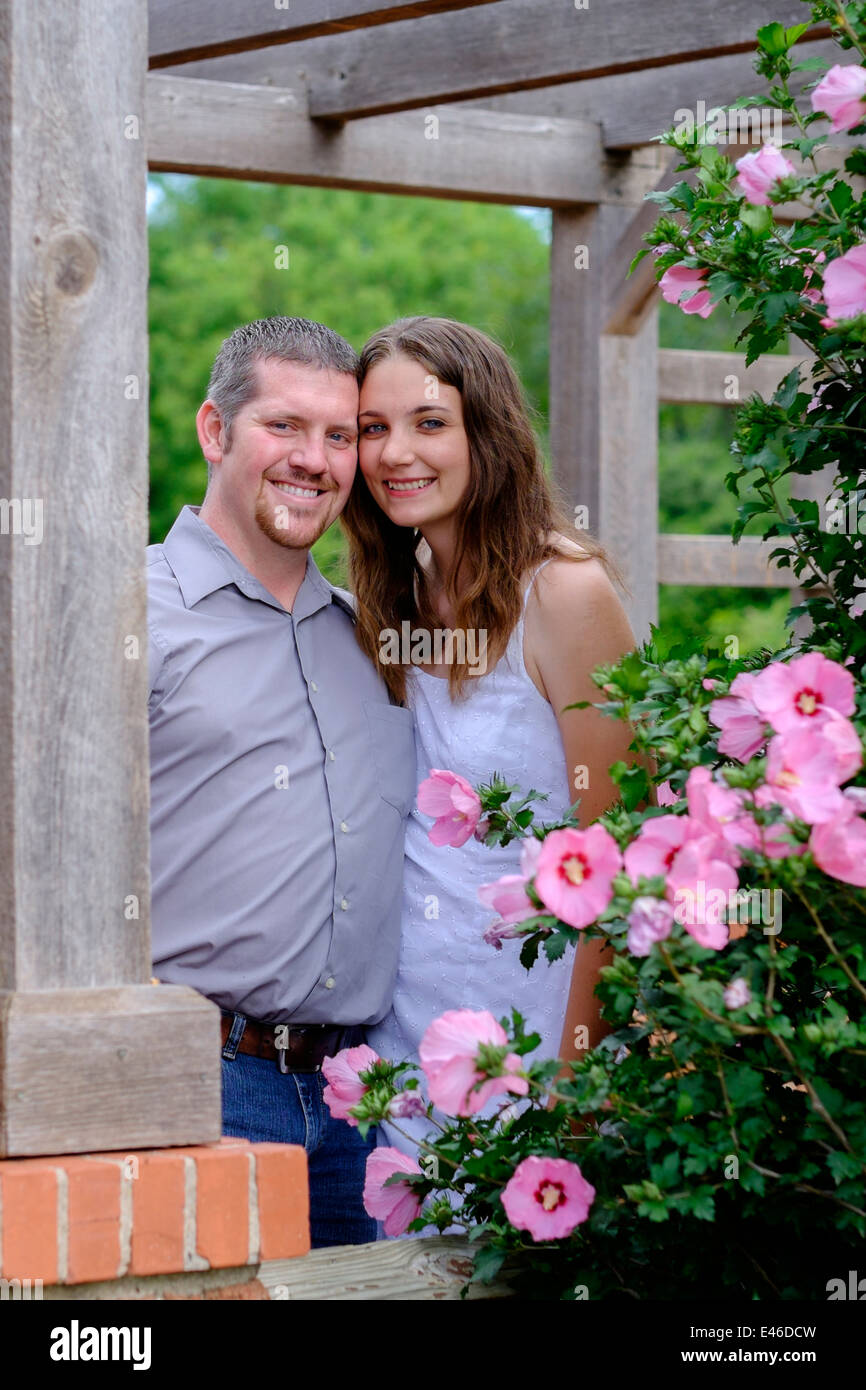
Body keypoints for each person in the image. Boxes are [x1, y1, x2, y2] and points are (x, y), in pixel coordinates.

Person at [340, 315, 642, 1174]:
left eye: (430, 423)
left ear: (490, 434)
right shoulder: (393, 595)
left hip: (533, 1064)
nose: (396, 452)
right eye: (373, 429)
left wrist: (572, 1106)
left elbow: (618, 861)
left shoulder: (565, 593)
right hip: (398, 1064)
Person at [146, 317, 416, 1247]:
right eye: (284, 427)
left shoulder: (379, 643)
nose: (315, 460)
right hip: (195, 1081)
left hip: (359, 1102)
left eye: (340, 436)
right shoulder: (125, 610)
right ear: (215, 431)